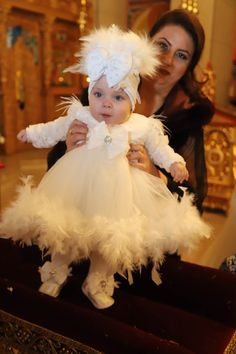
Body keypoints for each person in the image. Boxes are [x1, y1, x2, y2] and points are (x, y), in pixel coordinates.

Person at [0, 25, 211, 310]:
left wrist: (172, 164)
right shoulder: (84, 116)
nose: (106, 104)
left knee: (110, 243)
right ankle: (55, 271)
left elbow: (162, 148)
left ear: (133, 102)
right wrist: (32, 133)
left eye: (118, 97)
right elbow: (56, 128)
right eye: (98, 95)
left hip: (121, 195)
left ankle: (97, 281)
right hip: (77, 183)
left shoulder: (143, 126)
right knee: (65, 227)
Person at [60, 9, 215, 213]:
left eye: (181, 55)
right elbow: (55, 168)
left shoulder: (188, 116)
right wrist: (69, 149)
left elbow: (193, 203)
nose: (167, 60)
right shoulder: (101, 93)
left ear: (189, 66)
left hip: (145, 232)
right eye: (162, 45)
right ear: (146, 45)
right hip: (87, 215)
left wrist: (153, 172)